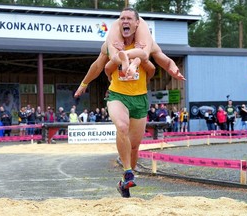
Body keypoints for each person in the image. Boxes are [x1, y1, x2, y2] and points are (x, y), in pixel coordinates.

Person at [75, 8, 183, 198]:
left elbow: (163, 59)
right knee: (122, 127)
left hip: (140, 98)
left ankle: (125, 182)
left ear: (136, 24)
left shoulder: (148, 43)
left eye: (128, 19)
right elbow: (97, 66)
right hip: (117, 95)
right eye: (121, 18)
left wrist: (172, 67)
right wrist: (84, 83)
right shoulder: (110, 44)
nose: (124, 21)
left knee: (134, 146)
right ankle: (127, 171)